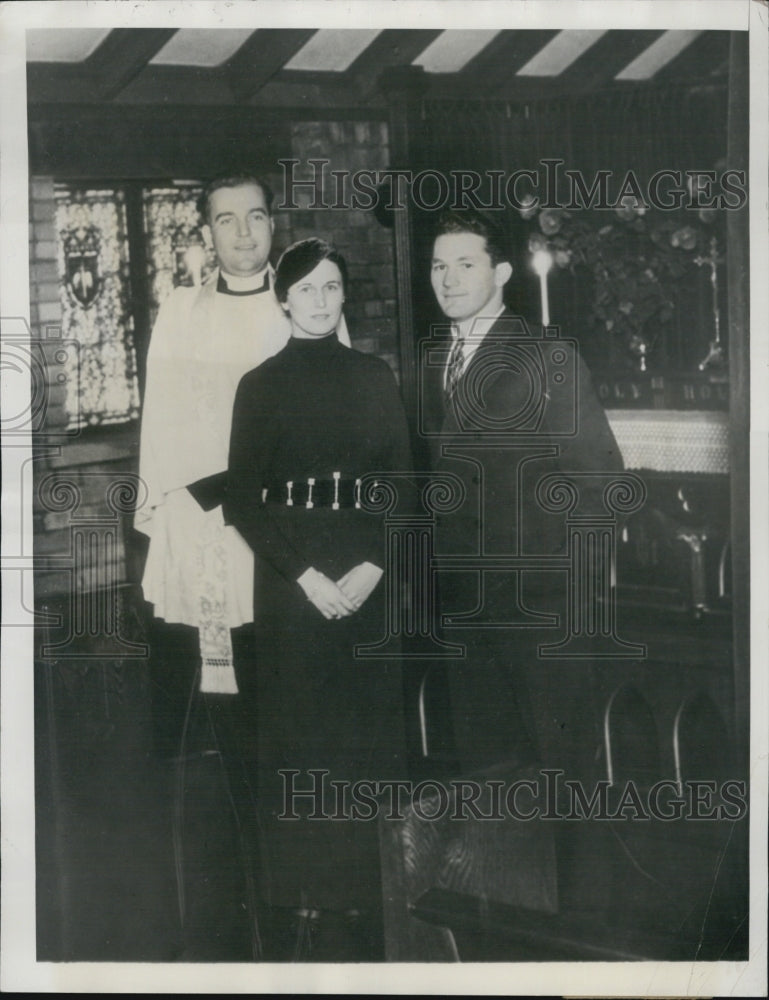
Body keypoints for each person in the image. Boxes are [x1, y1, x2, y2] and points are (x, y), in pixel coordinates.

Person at [135, 173, 350, 959]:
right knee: (228, 718)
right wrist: (178, 512)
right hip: (204, 534)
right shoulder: (182, 311)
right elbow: (162, 422)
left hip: (282, 537)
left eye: (256, 216)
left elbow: (334, 429)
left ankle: (303, 892)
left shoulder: (304, 304)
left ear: (271, 225)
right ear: (207, 232)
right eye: (226, 219)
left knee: (287, 712)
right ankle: (240, 902)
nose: (243, 232)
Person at [226, 238, 412, 961]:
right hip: (291, 583)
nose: (320, 300)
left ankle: (380, 889)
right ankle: (308, 897)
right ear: (283, 298)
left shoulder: (372, 375)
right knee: (303, 739)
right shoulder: (260, 384)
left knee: (367, 737)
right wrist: (303, 576)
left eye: (332, 287)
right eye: (306, 289)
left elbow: (401, 482)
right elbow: (242, 498)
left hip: (366, 572)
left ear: (343, 297)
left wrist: (372, 563)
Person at [427, 208, 623, 774]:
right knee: (489, 788)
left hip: (542, 616)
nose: (448, 279)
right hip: (465, 611)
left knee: (562, 782)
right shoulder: (436, 362)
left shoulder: (547, 355)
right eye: (439, 266)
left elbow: (601, 481)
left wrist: (568, 604)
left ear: (504, 272)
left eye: (466, 264)